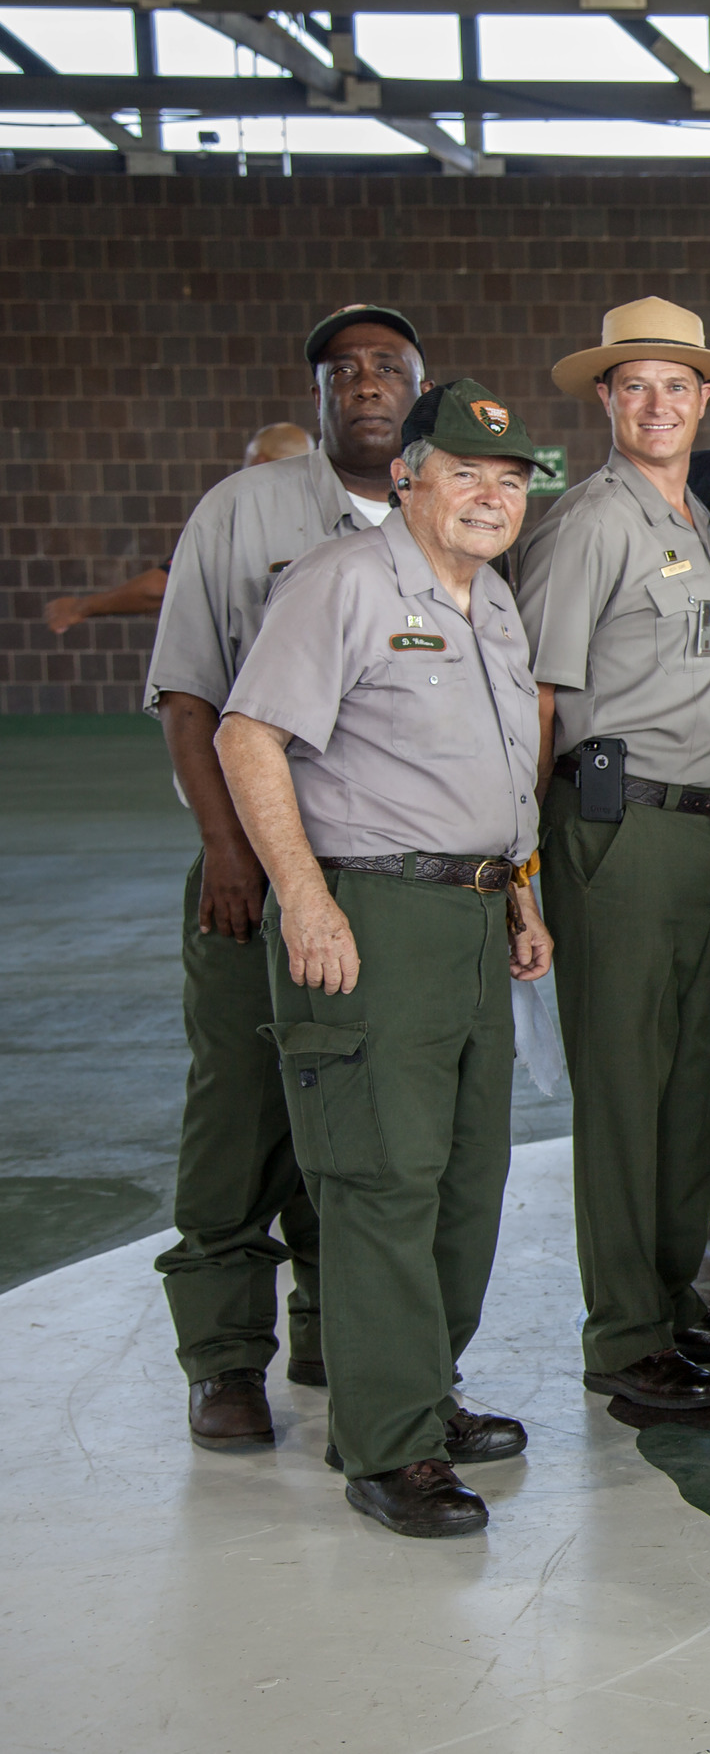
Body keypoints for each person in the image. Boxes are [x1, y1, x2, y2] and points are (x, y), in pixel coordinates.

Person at [213, 379, 552, 1537]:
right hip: (370, 913)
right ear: (406, 476)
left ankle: (425, 1388)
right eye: (466, 472)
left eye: (509, 481)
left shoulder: (493, 603)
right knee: (379, 1181)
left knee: (465, 1177)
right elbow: (246, 734)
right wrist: (304, 901)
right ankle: (387, 1442)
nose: (491, 496)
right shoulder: (343, 582)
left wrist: (520, 892)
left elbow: (499, 770)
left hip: (469, 912)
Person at [144, 303, 425, 1451]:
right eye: (343, 368)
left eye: (388, 367)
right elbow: (189, 695)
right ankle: (222, 1357)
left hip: (379, 881)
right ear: (317, 394)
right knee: (241, 1113)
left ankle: (324, 1327)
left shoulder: (438, 513)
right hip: (257, 872)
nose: (365, 382)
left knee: (351, 1106)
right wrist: (227, 848)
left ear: (419, 388)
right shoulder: (243, 511)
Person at [512, 297, 710, 1411]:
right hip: (619, 824)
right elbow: (539, 697)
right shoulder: (589, 520)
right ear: (605, 401)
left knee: (685, 1087)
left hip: (705, 828)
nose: (656, 405)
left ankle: (666, 1300)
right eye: (634, 386)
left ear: (704, 402)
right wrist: (523, 862)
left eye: (676, 385)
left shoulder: (699, 518)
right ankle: (621, 1331)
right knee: (623, 1084)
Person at [48, 424, 317, 635]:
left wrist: (81, 607)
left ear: (259, 462)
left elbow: (165, 586)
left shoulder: (240, 520)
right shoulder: (333, 520)